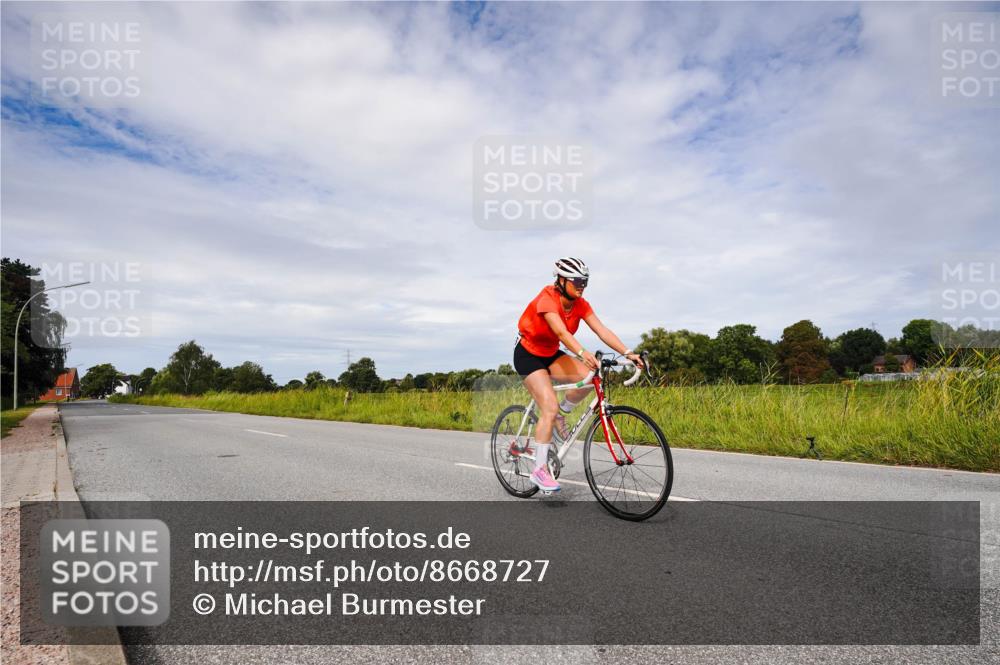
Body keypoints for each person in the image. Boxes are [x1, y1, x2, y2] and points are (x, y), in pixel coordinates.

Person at [513, 257, 644, 493]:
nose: (581, 285)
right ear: (561, 280)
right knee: (548, 408)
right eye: (577, 281)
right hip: (528, 355)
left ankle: (562, 414)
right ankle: (540, 470)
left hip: (551, 354)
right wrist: (582, 352)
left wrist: (628, 352)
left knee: (590, 376)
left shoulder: (581, 304)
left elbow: (601, 329)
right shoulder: (547, 299)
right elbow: (561, 333)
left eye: (585, 281)